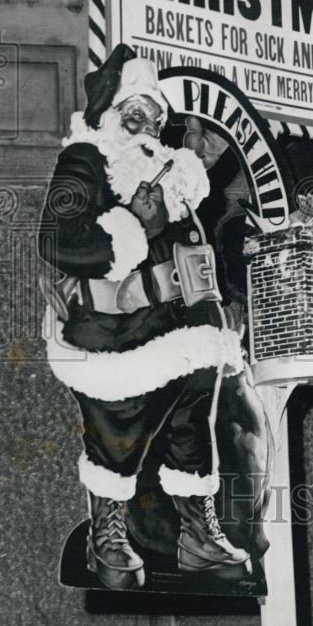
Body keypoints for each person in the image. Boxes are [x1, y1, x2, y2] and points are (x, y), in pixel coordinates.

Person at [39, 45, 250, 589]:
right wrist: (134, 226)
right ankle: (107, 537)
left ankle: (197, 539)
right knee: (117, 438)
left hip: (189, 337)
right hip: (119, 339)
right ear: (111, 115)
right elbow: (58, 240)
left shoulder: (170, 172)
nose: (148, 127)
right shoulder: (86, 160)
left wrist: (217, 315)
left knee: (191, 437)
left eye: (155, 117)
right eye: (135, 114)